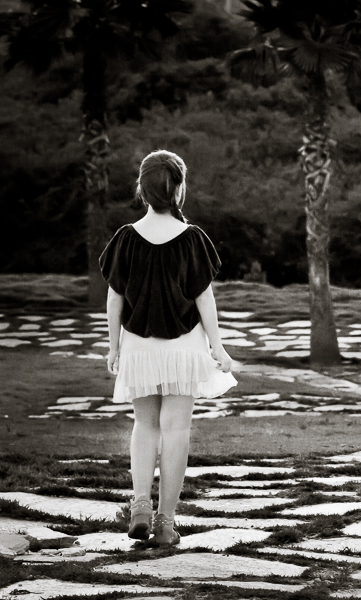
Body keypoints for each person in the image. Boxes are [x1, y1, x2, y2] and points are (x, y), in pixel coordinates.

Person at [100, 150, 237, 546]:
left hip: (138, 347)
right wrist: (218, 347)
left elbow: (114, 299)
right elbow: (204, 298)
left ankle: (140, 506)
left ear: (141, 190)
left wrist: (114, 348)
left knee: (145, 425)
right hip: (185, 349)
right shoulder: (193, 239)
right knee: (177, 429)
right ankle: (165, 523)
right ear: (178, 190)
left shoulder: (125, 238)